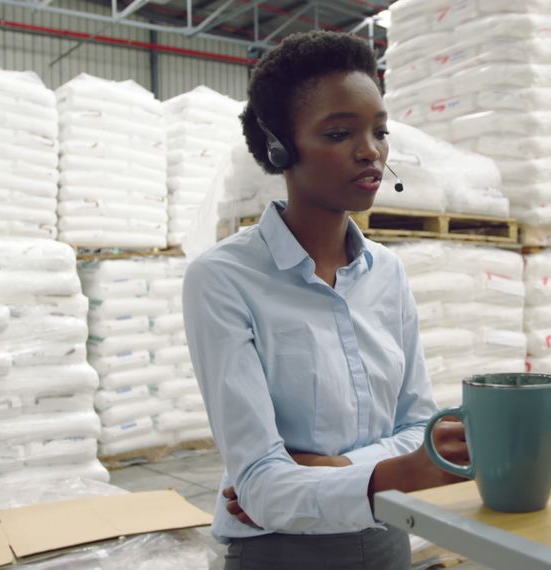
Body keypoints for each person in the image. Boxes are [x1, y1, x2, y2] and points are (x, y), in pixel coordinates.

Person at [183, 30, 469, 570]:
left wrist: (335, 468)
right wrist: (397, 471)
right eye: (340, 133)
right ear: (280, 149)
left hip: (387, 534)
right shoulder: (223, 279)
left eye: (379, 132)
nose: (371, 152)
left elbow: (417, 428)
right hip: (278, 550)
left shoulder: (387, 273)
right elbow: (261, 488)